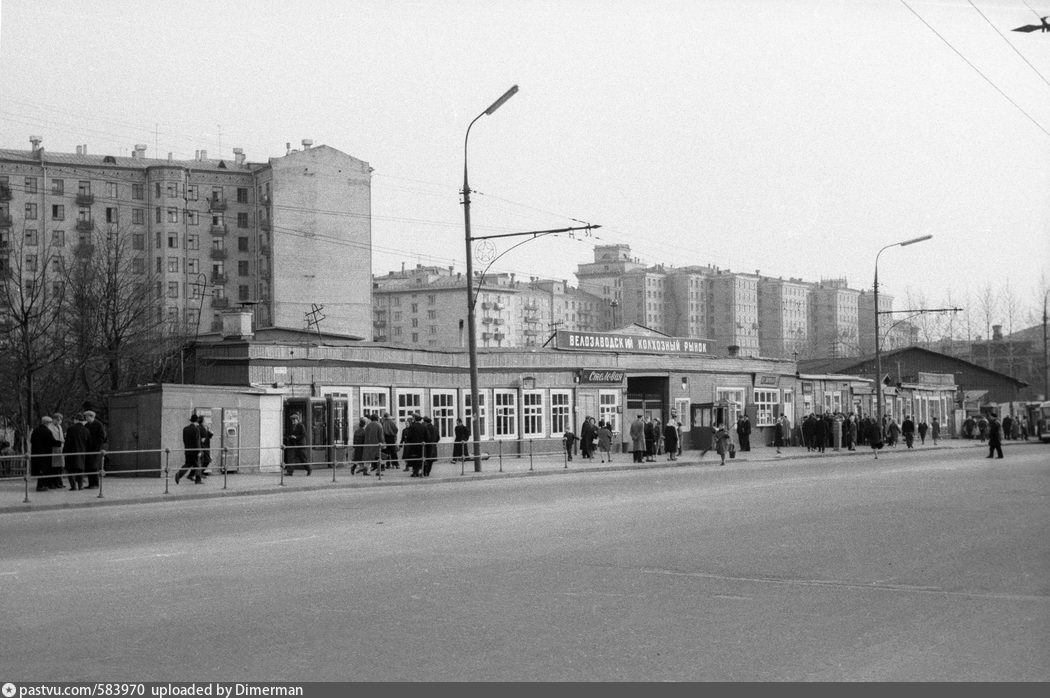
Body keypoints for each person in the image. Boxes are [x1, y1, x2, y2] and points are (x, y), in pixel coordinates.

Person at [30, 416, 62, 492]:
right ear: (47, 423)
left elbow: (31, 440)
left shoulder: (36, 430)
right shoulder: (47, 431)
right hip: (45, 454)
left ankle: (42, 485)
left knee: (40, 470)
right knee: (43, 471)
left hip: (36, 454)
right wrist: (60, 443)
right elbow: (52, 441)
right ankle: (40, 486)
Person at [63, 413, 89, 490]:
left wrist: (64, 452)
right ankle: (80, 486)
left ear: (76, 420)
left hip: (72, 452)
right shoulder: (86, 430)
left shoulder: (71, 429)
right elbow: (88, 442)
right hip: (82, 452)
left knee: (70, 470)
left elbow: (67, 441)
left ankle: (73, 486)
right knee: (80, 469)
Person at [83, 410, 107, 489]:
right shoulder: (86, 425)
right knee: (90, 466)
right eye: (85, 417)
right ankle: (91, 483)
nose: (86, 418)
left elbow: (102, 436)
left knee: (94, 466)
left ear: (91, 416)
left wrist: (97, 445)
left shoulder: (98, 425)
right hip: (89, 449)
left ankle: (95, 484)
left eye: (87, 417)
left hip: (96, 448)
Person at [175, 413, 202, 485]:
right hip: (194, 451)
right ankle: (198, 480)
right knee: (197, 465)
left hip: (187, 450)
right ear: (196, 421)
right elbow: (197, 441)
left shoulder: (185, 429)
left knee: (188, 464)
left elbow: (184, 440)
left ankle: (179, 474)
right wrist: (199, 451)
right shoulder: (196, 429)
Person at [283, 412, 311, 476]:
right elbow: (290, 434)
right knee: (291, 458)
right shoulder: (292, 427)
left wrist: (296, 437)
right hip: (293, 445)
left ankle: (309, 469)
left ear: (297, 420)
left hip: (300, 445)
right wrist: (290, 437)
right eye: (292, 420)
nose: (293, 421)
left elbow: (303, 435)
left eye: (294, 420)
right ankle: (290, 472)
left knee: (303, 458)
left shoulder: (301, 426)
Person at [48, 413, 66, 489]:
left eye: (60, 420)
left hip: (60, 449)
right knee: (54, 468)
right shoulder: (50, 427)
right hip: (53, 449)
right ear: (54, 419)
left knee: (59, 467)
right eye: (58, 419)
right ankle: (53, 483)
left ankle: (59, 482)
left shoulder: (60, 427)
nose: (59, 421)